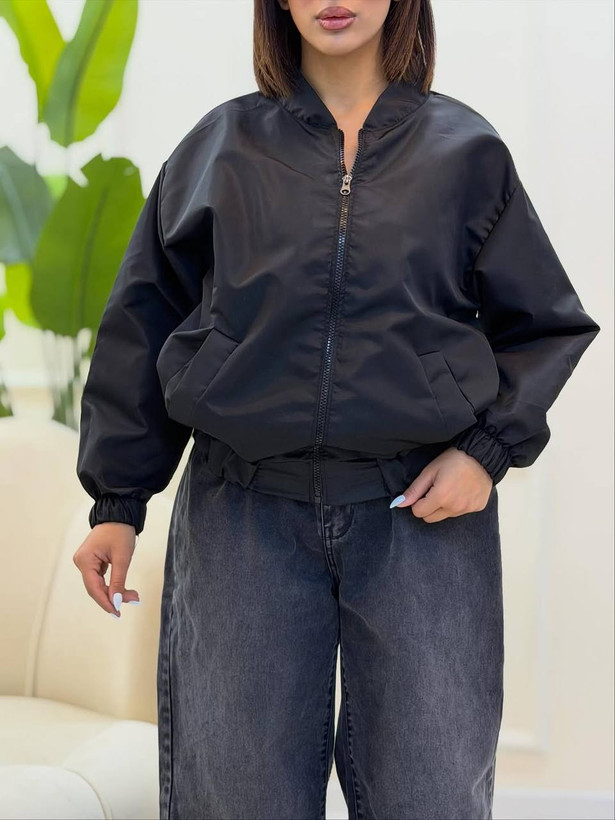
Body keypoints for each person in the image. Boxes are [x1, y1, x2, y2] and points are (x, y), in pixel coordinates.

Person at [73, 1, 601, 818]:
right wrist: (118, 500)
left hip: (418, 521)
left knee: (429, 796)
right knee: (238, 797)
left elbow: (545, 325)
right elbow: (142, 323)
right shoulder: (220, 148)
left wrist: (484, 452)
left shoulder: (465, 153)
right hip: (242, 517)